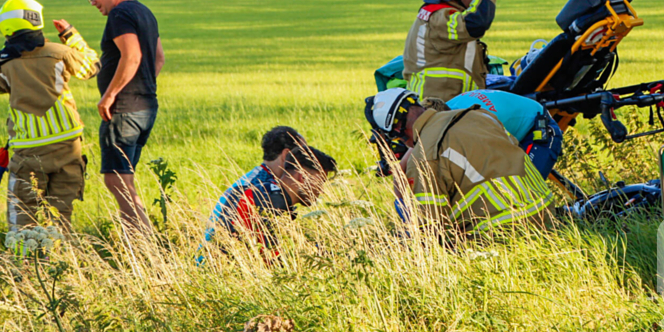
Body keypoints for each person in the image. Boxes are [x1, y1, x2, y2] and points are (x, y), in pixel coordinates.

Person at [0, 0, 100, 232]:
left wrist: (6, 56)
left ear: (6, 28)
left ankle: (27, 265)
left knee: (23, 216)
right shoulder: (60, 52)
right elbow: (92, 67)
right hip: (68, 146)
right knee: (60, 217)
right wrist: (70, 35)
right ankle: (61, 262)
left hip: (29, 150)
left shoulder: (3, 65)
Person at [364, 89, 555, 235]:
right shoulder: (478, 115)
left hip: (503, 234)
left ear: (397, 128)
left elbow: (431, 229)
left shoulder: (424, 158)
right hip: (546, 217)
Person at [84, 0, 164, 233]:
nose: (93, 2)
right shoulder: (144, 12)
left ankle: (143, 245)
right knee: (124, 178)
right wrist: (142, 84)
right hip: (145, 107)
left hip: (124, 110)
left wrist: (110, 96)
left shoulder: (119, 14)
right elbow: (158, 58)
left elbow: (132, 56)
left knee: (116, 179)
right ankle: (143, 241)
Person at [205, 126, 337, 250]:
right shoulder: (263, 189)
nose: (307, 157)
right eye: (302, 153)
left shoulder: (264, 181)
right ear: (287, 155)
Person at [403, 0, 497, 102]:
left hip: (451, 108)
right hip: (434, 112)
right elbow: (477, 22)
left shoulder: (446, 14)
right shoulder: (438, 18)